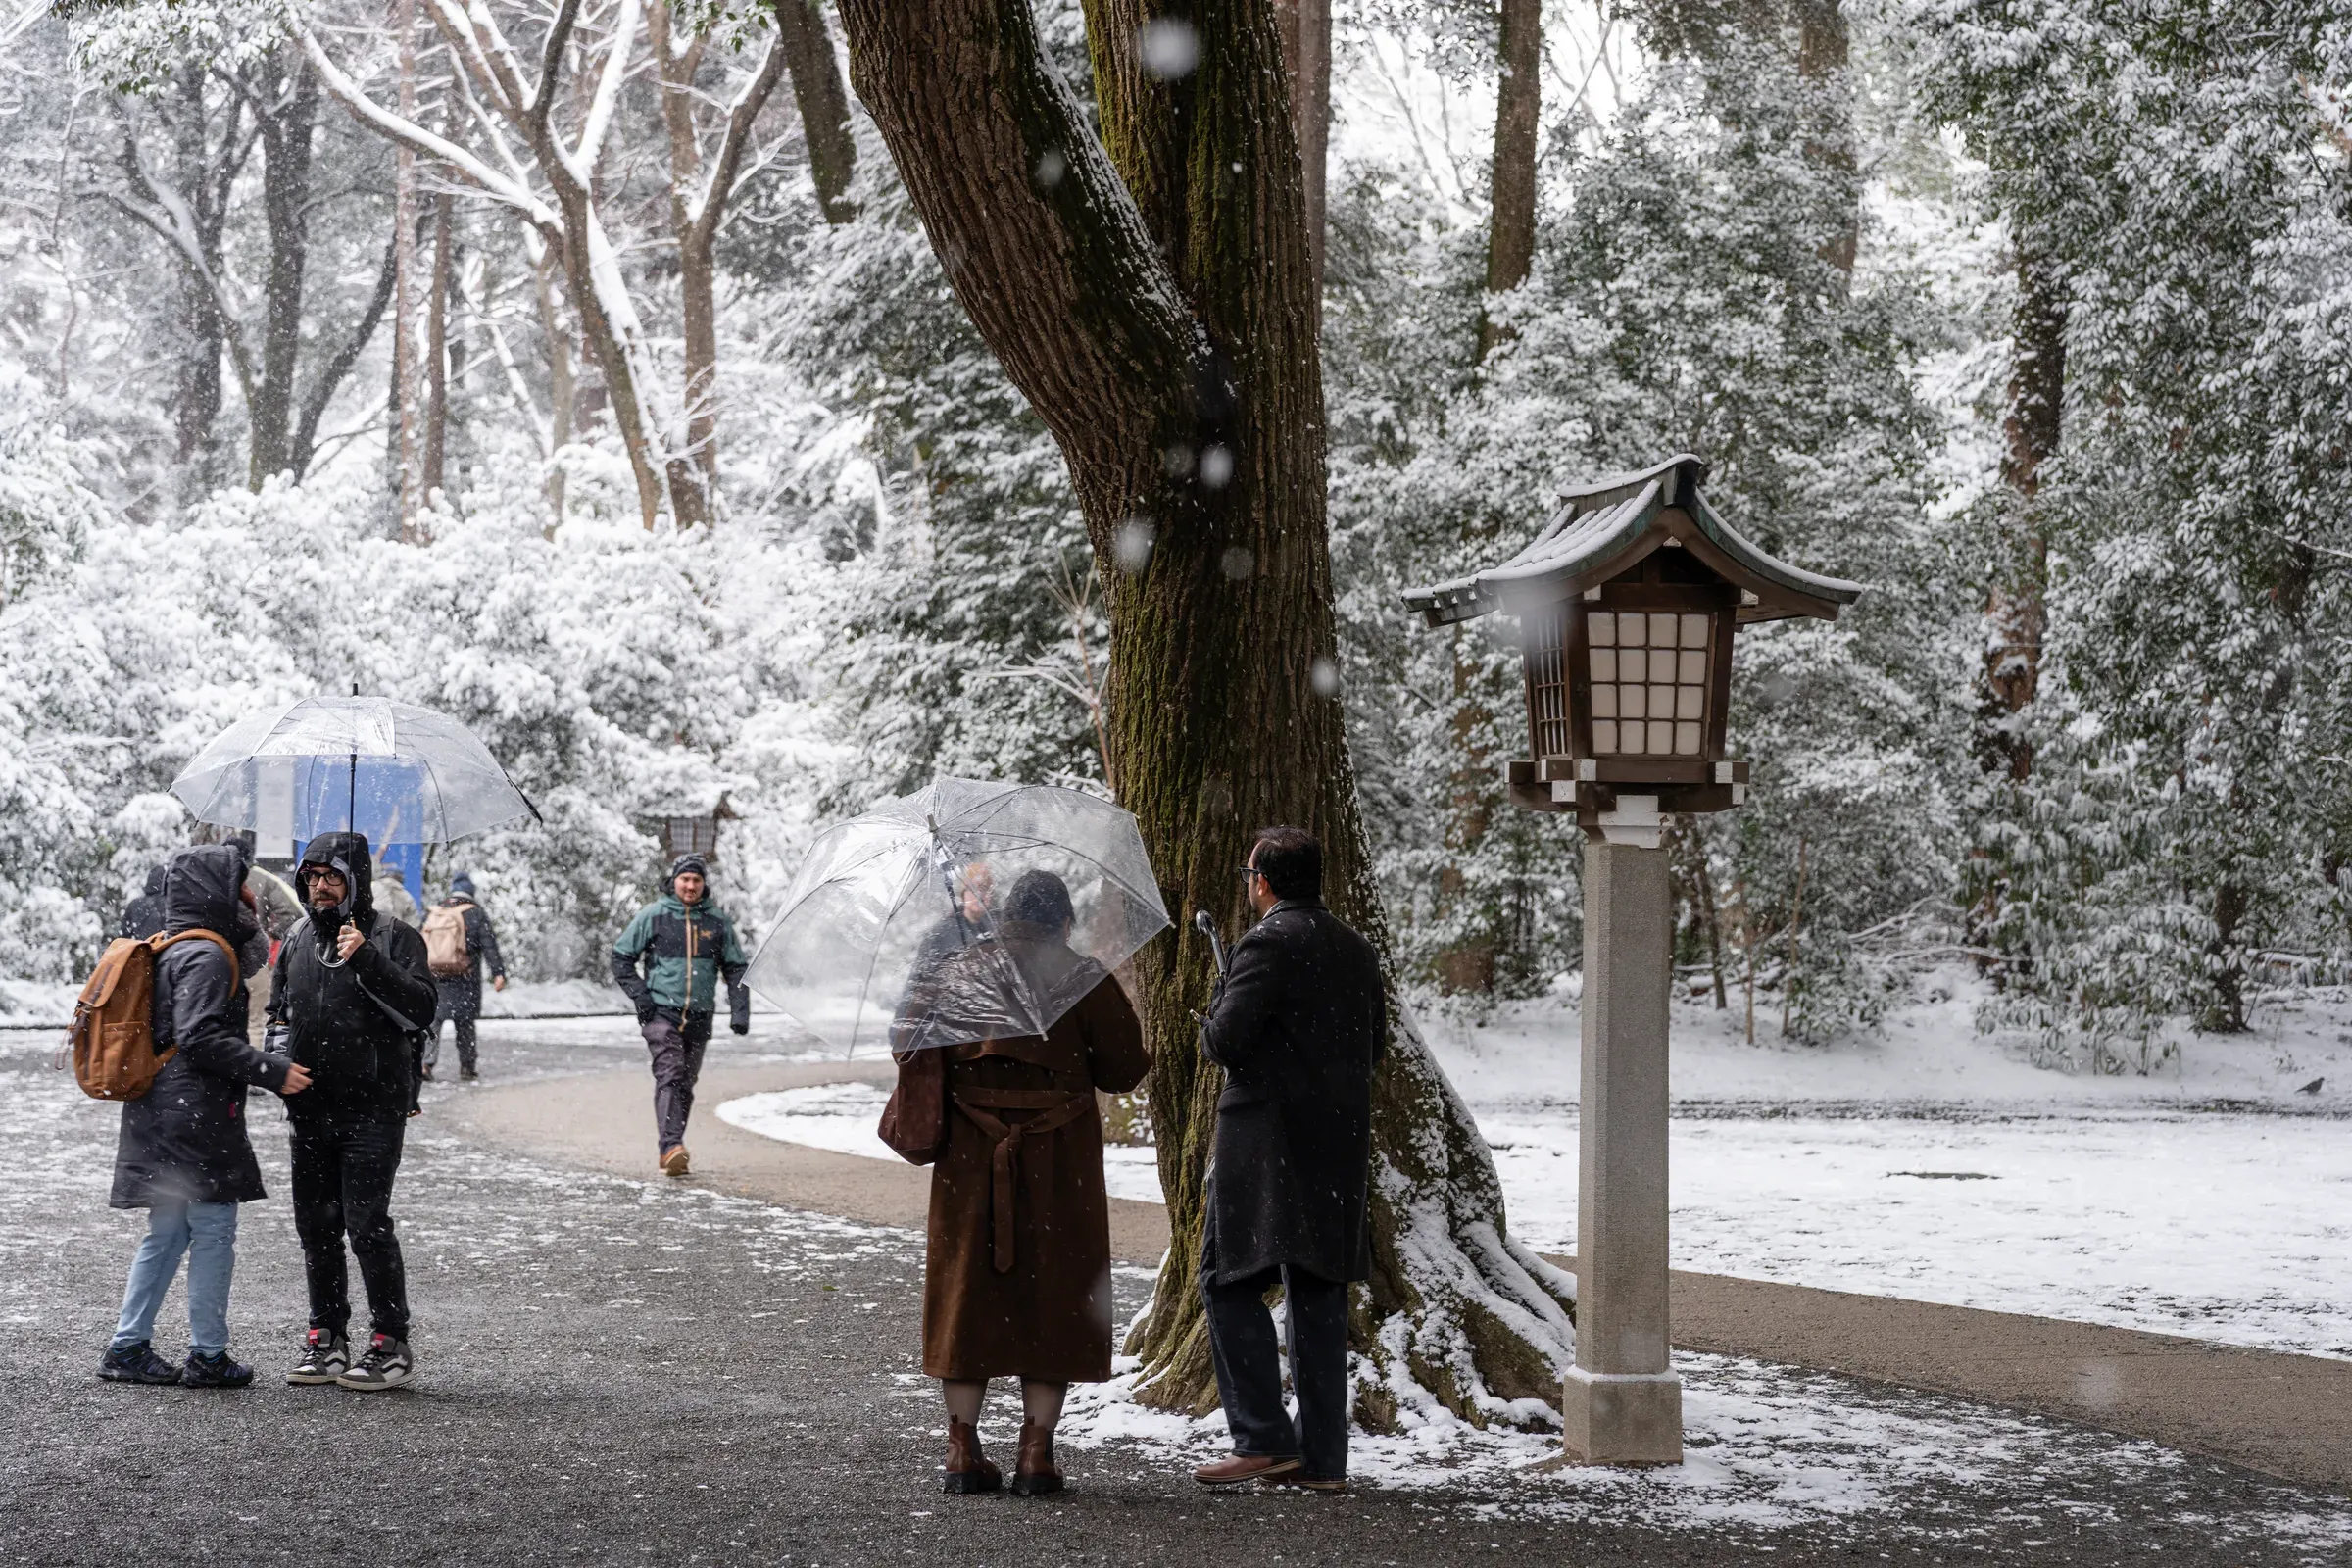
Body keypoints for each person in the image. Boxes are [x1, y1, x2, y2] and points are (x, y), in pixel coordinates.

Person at [906, 869, 1151, 1498]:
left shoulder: (956, 970)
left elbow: (907, 1042)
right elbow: (1124, 1070)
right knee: (1057, 1295)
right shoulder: (1085, 976)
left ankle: (962, 1450)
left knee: (967, 1292)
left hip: (969, 1159)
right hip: (1058, 1161)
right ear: (1063, 921)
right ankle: (1037, 1456)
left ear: (1005, 916)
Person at [1191, 827, 1386, 1494]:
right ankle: (1324, 1459)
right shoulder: (1356, 949)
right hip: (1337, 1147)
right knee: (1319, 1293)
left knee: (1227, 1279)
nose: (1248, 884)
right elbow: (1375, 1045)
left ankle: (1264, 1440)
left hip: (1266, 1145)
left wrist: (1214, 1005)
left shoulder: (1266, 944)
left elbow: (1223, 1042)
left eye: (1250, 874)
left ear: (1264, 882)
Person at [99, 843, 312, 1388]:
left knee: (167, 1232)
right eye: (240, 880)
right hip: (194, 1113)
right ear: (215, 891)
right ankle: (209, 1356)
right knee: (214, 1228)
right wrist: (270, 1070)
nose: (249, 891)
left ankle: (128, 1346)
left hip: (163, 1109)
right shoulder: (208, 954)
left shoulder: (175, 946)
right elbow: (198, 1037)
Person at [267, 830, 439, 1391]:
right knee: (316, 1228)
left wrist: (365, 957)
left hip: (374, 1109)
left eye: (332, 877)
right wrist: (278, 1073)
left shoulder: (395, 938)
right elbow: (277, 1014)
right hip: (310, 1109)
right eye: (312, 877)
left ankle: (390, 1340)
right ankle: (325, 1335)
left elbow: (419, 1011)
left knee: (366, 1226)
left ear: (354, 881)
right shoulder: (295, 939)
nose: (319, 887)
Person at [611, 854, 750, 1177]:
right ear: (674, 881)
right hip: (661, 1012)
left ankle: (671, 1148)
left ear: (703, 884)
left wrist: (739, 1011)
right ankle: (671, 1146)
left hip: (700, 1014)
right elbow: (621, 958)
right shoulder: (654, 915)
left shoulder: (716, 922)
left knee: (686, 1083)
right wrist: (642, 997)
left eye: (696, 880)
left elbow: (735, 967)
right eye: (685, 879)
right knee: (670, 1073)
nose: (690, 885)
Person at [421, 873, 507, 1083]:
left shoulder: (436, 911)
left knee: (433, 1022)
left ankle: (425, 1063)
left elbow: (420, 941)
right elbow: (489, 945)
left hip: (437, 978)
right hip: (465, 978)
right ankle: (467, 1067)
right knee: (465, 1024)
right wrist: (498, 972)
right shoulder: (475, 913)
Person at [118, 863, 169, 939]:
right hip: (165, 948)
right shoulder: (170, 903)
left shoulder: (135, 904)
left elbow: (124, 935)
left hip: (142, 948)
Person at [370, 858, 420, 926]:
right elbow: (413, 922)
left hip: (371, 929)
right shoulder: (406, 896)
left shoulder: (372, 887)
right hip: (394, 931)